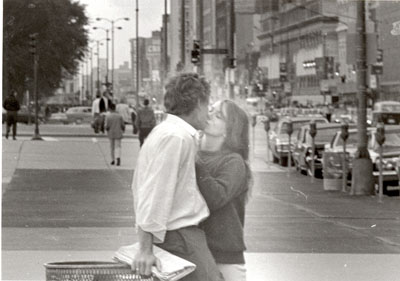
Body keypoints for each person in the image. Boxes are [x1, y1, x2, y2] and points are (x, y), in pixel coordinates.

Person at [131, 73, 224, 281]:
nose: (208, 112)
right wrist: (145, 250)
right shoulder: (176, 138)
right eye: (207, 104)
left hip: (175, 237)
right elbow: (155, 192)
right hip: (180, 237)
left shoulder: (166, 132)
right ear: (198, 102)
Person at [195, 100, 252, 281]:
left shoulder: (233, 162)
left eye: (218, 116)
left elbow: (216, 197)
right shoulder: (192, 151)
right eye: (211, 110)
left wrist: (195, 160)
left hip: (224, 259)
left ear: (229, 130)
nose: (210, 115)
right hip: (192, 253)